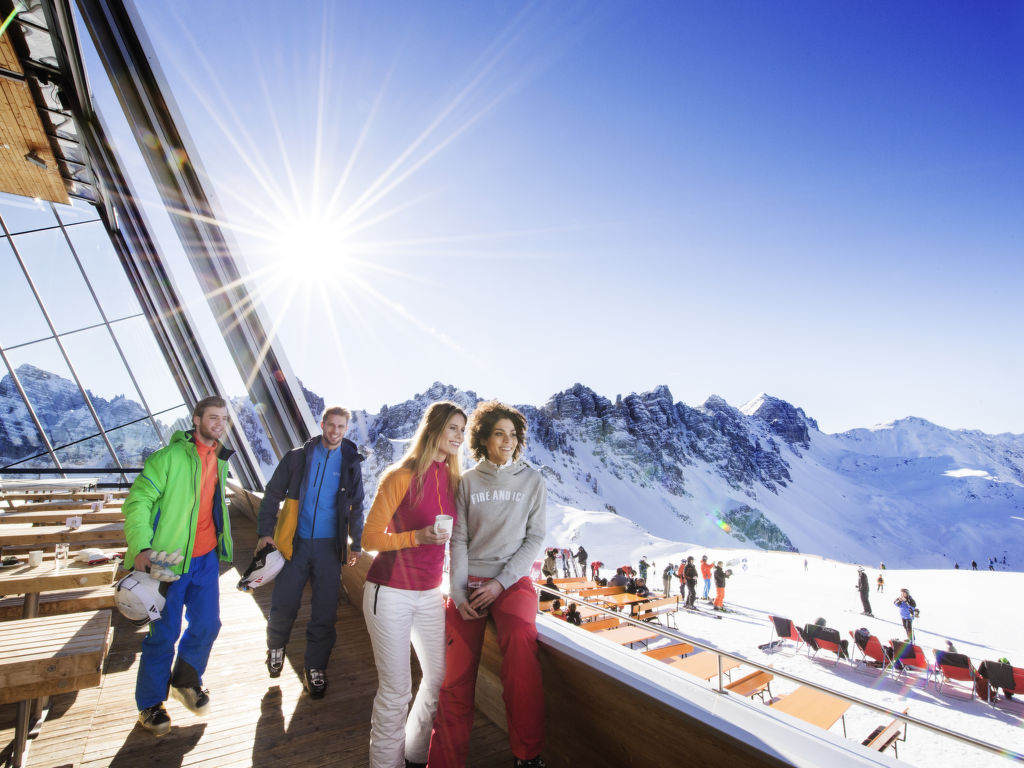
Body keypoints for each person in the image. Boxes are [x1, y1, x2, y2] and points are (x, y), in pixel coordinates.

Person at [429, 401, 547, 768]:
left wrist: (499, 583)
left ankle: (527, 755)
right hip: (469, 583)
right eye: (499, 434)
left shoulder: (533, 481)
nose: (508, 441)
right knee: (454, 677)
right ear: (483, 438)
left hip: (512, 583)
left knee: (521, 648)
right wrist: (458, 593)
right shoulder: (467, 482)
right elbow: (458, 540)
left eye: (513, 435)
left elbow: (535, 538)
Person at [360, 402, 465, 768]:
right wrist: (415, 537)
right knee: (396, 691)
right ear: (433, 429)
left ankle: (415, 755)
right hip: (389, 591)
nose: (459, 436)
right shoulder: (400, 476)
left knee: (439, 679)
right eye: (452, 428)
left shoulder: (454, 482)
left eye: (462, 430)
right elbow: (369, 539)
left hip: (430, 594)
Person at [122, 396, 233, 736]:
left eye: (224, 419)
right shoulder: (167, 458)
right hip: (167, 559)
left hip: (206, 557)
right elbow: (138, 501)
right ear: (196, 420)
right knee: (164, 633)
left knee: (208, 624)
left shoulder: (220, 459)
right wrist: (141, 546)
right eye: (213, 417)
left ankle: (185, 681)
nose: (219, 424)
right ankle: (150, 704)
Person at [258, 406, 365, 699]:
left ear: (346, 429)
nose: (335, 431)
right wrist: (265, 532)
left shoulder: (350, 463)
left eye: (340, 426)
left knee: (325, 610)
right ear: (322, 424)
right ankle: (275, 646)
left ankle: (316, 666)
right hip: (296, 543)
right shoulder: (298, 458)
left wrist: (356, 543)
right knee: (283, 602)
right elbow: (272, 493)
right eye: (331, 425)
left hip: (330, 547)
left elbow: (357, 505)